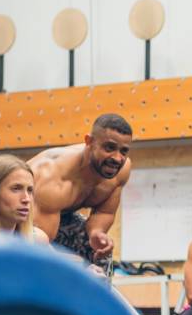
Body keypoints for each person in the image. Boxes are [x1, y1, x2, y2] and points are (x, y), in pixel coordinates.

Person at [29, 113, 133, 267]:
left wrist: (96, 233)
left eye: (123, 151)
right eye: (109, 148)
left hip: (56, 218)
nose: (117, 158)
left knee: (99, 253)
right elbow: (40, 245)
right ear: (89, 141)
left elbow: (105, 212)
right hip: (11, 223)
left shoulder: (121, 171)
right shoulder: (53, 176)